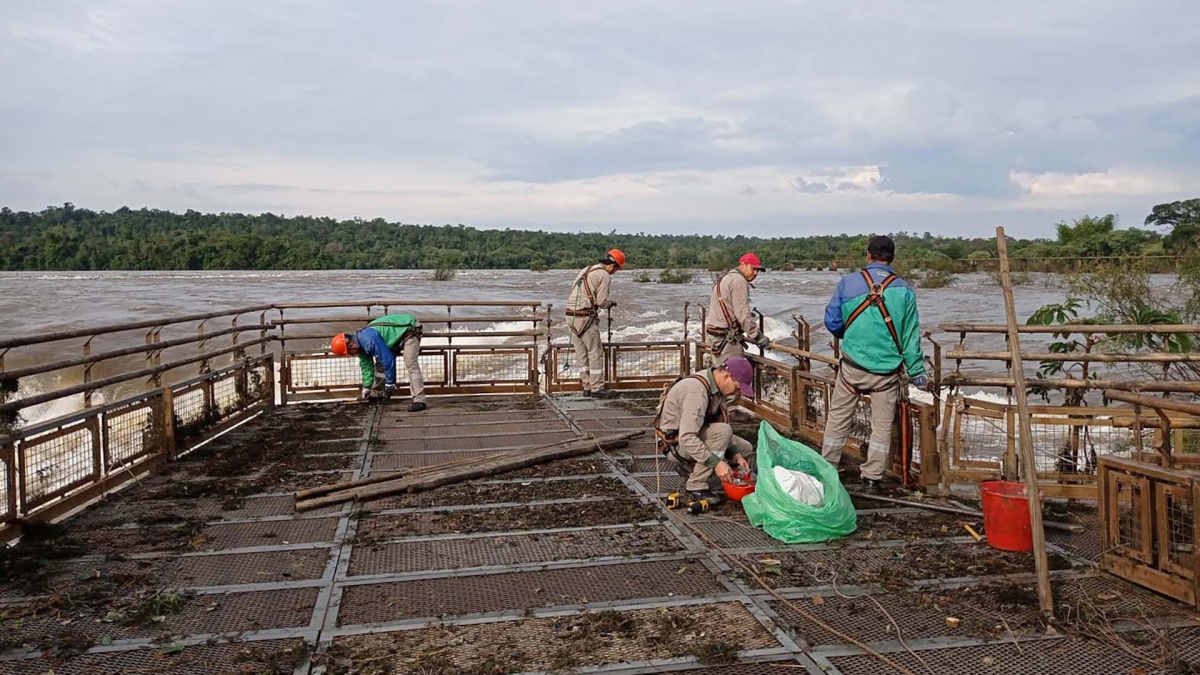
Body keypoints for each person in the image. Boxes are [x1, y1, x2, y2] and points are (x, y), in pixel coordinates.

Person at [819, 235, 927, 493]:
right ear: (893, 258)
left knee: (837, 420)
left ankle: (827, 468)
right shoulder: (905, 290)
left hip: (852, 368)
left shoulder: (848, 282)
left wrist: (853, 335)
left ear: (867, 256)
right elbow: (911, 337)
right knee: (881, 428)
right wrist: (917, 372)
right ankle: (871, 479)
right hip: (887, 375)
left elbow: (832, 321)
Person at [653, 356, 756, 505]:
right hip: (675, 446)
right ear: (727, 376)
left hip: (693, 436)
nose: (736, 393)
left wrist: (737, 456)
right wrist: (717, 463)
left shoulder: (717, 389)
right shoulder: (697, 392)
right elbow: (687, 437)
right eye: (737, 387)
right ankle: (696, 486)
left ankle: (694, 468)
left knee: (744, 448)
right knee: (723, 432)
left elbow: (721, 425)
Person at [330, 313, 427, 412]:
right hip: (394, 337)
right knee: (380, 364)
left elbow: (388, 360)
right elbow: (366, 367)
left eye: (349, 353)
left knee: (410, 363)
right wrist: (366, 387)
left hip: (410, 330)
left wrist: (390, 383)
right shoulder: (360, 345)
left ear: (351, 345)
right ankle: (377, 394)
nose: (351, 355)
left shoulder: (368, 340)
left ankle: (419, 400)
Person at [565, 249, 625, 398]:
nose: (614, 272)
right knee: (595, 352)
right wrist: (610, 304)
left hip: (570, 315)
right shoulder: (604, 275)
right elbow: (601, 301)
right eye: (616, 270)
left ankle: (586, 386)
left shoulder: (587, 269)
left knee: (581, 354)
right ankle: (597, 388)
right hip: (585, 317)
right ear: (614, 266)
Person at [706, 253, 771, 364]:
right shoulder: (739, 281)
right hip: (727, 339)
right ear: (743, 265)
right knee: (734, 377)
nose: (755, 273)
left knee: (720, 375)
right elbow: (743, 314)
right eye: (753, 268)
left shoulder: (725, 277)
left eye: (758, 271)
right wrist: (758, 336)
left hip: (715, 335)